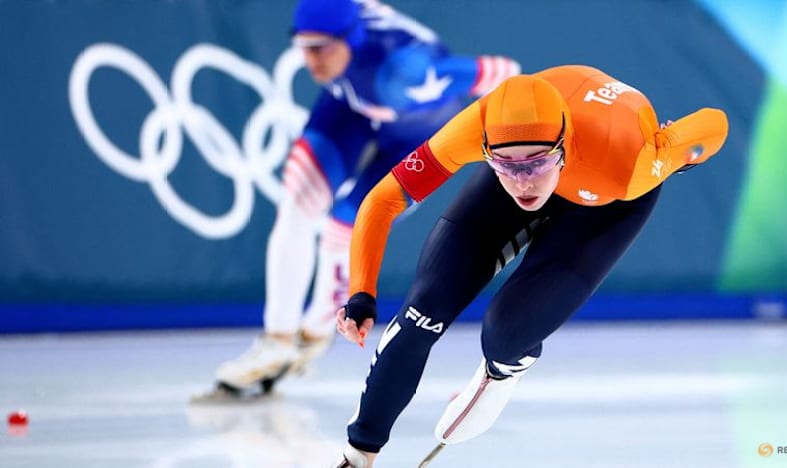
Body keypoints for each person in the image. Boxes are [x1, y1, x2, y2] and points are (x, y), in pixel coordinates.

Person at [331, 67, 729, 466]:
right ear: (486, 148)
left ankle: (504, 368)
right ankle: (358, 453)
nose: (523, 183)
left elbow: (715, 123)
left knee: (506, 333)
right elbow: (383, 200)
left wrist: (675, 151)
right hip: (560, 154)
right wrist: (362, 292)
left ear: (563, 144)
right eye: (505, 165)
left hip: (603, 193)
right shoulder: (476, 126)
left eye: (535, 165)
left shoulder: (630, 161)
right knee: (423, 310)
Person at [199, 0, 520, 400]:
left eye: (320, 48)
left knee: (342, 228)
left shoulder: (404, 73)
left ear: (349, 39)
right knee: (297, 199)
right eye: (303, 46)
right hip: (348, 105)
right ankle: (277, 340)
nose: (310, 60)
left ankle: (315, 332)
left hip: (414, 132)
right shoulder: (338, 44)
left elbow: (504, 72)